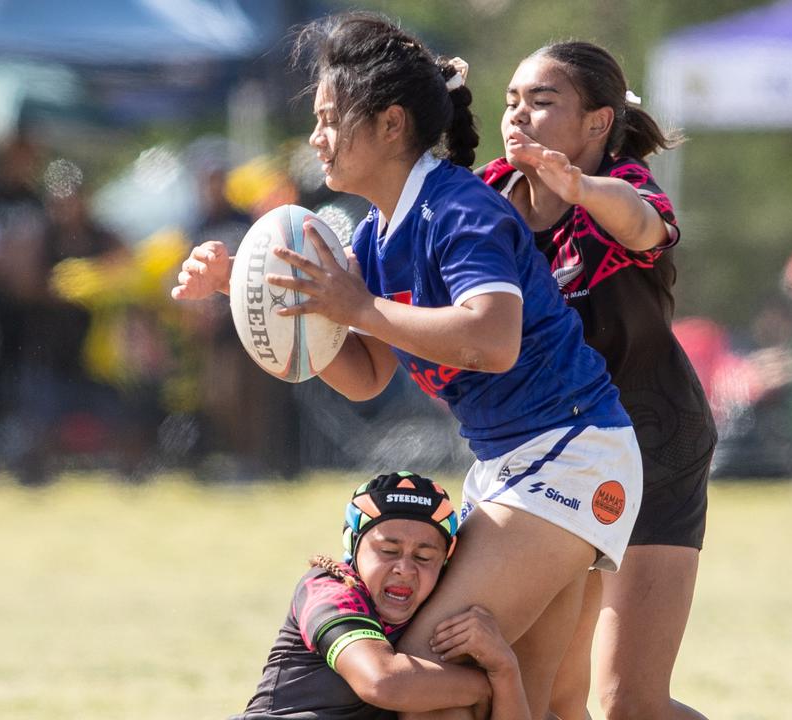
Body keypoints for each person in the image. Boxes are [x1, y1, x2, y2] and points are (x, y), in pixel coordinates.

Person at [173, 14, 643, 718]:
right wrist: (249, 286)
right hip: (526, 464)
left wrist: (356, 306)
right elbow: (363, 371)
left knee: (425, 679)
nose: (316, 137)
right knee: (541, 707)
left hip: (567, 457)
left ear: (391, 124)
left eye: (330, 118)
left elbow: (493, 340)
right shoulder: (378, 233)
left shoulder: (458, 211)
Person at [477, 42, 716, 719]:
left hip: (653, 438)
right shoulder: (488, 198)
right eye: (512, 101)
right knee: (550, 698)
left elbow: (643, 229)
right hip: (552, 451)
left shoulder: (622, 186)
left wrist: (580, 189)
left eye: (543, 101)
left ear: (598, 123)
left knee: (630, 704)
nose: (519, 114)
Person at [233, 471, 528, 719]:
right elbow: (382, 681)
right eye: (388, 551)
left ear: (445, 561)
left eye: (424, 557)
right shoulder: (330, 588)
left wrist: (505, 667)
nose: (405, 569)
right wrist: (485, 686)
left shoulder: (442, 609)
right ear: (353, 545)